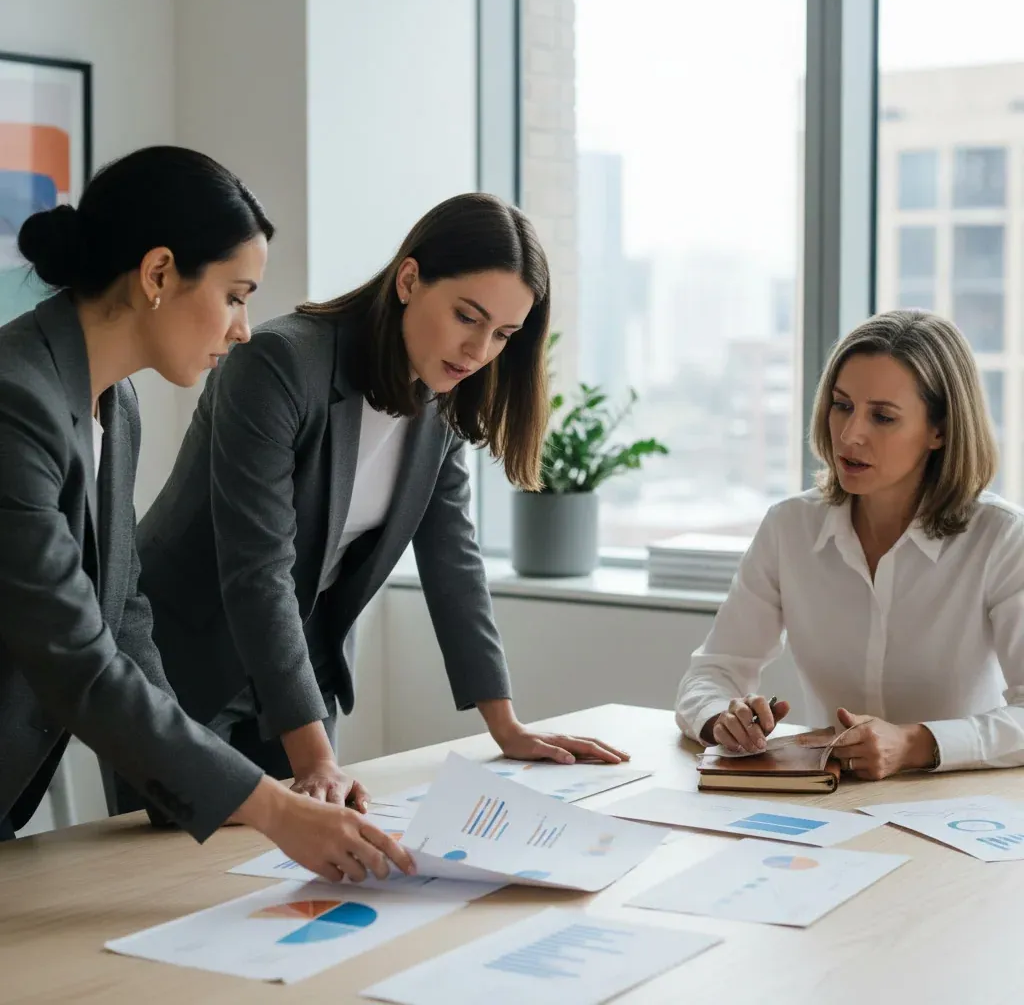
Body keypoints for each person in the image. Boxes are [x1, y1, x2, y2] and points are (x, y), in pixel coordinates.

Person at [134, 192, 629, 829]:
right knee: (170, 874)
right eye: (466, 316)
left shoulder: (441, 393)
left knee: (285, 880)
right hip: (184, 661)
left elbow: (452, 553)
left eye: (502, 334)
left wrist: (505, 725)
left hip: (297, 664)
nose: (478, 350)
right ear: (409, 278)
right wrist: (316, 759)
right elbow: (259, 568)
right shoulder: (281, 362)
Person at [0, 146, 415, 885]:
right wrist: (272, 808)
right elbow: (76, 658)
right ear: (158, 274)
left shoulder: (113, 404)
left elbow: (122, 613)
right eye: (235, 294)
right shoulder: (14, 401)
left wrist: (210, 790)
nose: (244, 328)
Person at [675, 308, 1024, 780]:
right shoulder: (789, 527)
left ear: (939, 430)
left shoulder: (1002, 537)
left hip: (960, 810)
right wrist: (722, 719)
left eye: (882, 416)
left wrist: (915, 743)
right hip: (831, 800)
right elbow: (712, 672)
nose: (850, 434)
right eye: (842, 405)